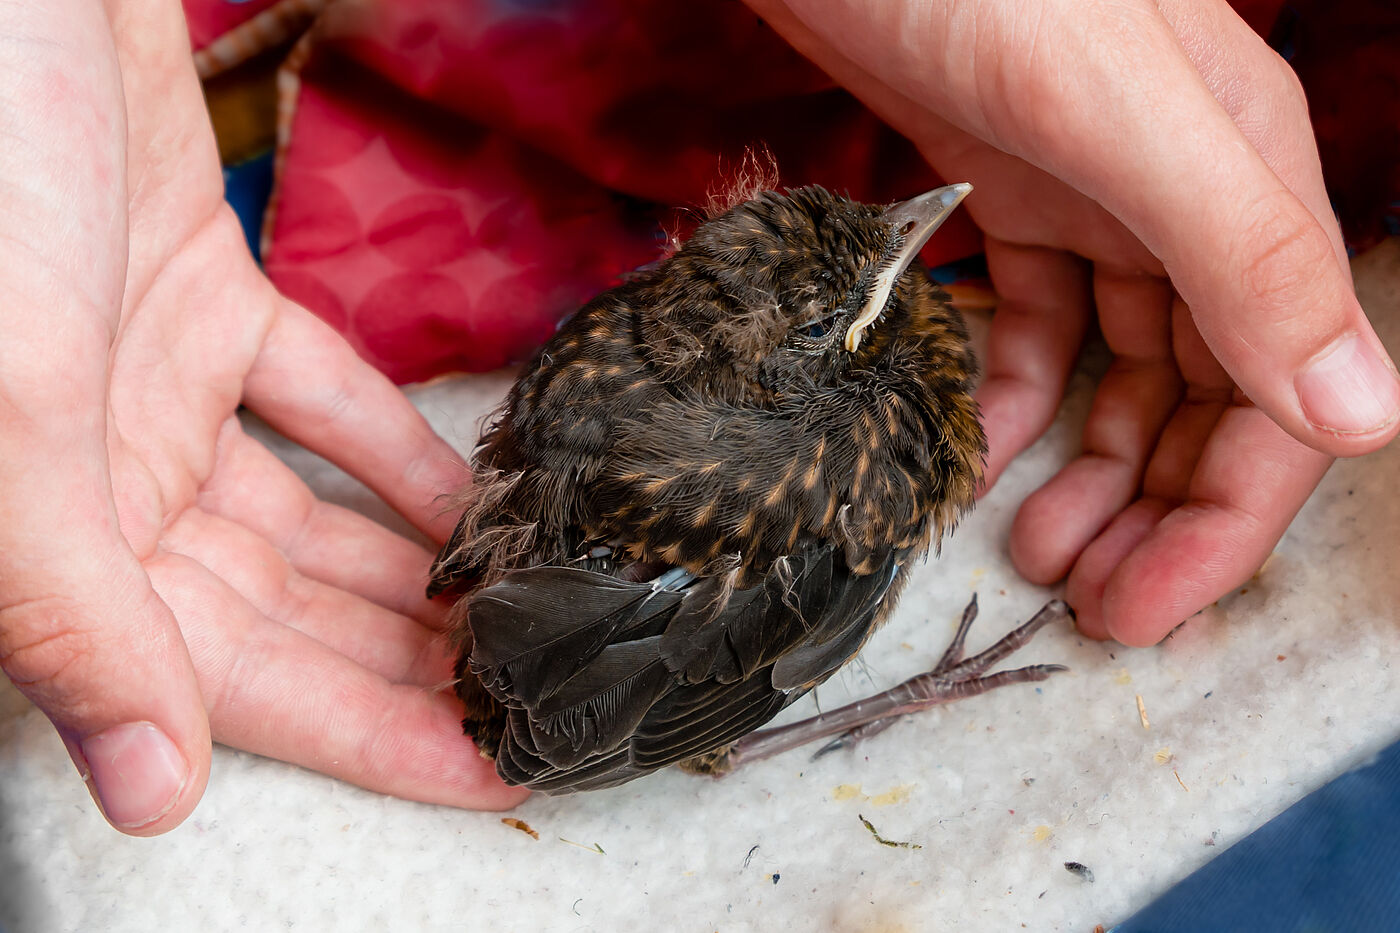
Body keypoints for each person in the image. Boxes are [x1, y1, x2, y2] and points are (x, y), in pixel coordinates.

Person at [0, 0, 1394, 836]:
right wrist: (894, 687)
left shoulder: (669, 341)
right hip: (600, 611)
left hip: (580, 498)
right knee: (765, 664)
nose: (919, 225)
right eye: (870, 282)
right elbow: (726, 662)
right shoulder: (852, 475)